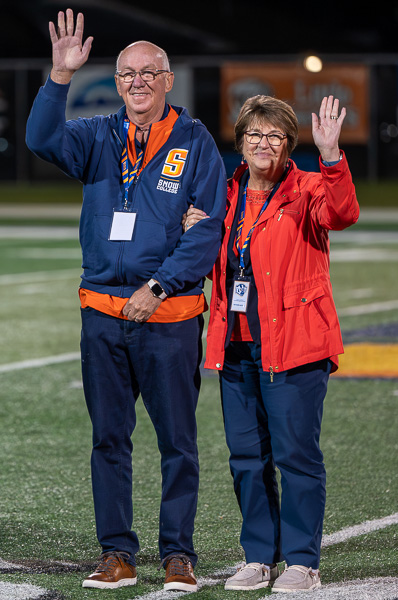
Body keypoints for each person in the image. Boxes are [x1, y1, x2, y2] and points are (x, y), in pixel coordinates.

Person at [26, 9, 227, 591]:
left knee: (177, 444)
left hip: (167, 317)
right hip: (102, 319)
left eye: (150, 72)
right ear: (116, 83)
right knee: (108, 440)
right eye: (127, 74)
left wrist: (158, 285)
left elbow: (206, 230)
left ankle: (178, 555)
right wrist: (60, 77)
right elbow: (42, 138)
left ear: (168, 80)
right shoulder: (97, 135)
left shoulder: (195, 142)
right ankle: (116, 553)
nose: (138, 82)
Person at [184, 94, 359, 592]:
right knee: (245, 457)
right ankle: (259, 556)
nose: (264, 144)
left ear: (288, 146)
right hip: (236, 344)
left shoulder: (307, 188)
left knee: (296, 456)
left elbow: (343, 212)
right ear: (240, 144)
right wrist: (190, 227)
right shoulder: (223, 194)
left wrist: (331, 157)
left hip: (296, 346)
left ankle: (303, 562)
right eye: (255, 135)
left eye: (276, 136)